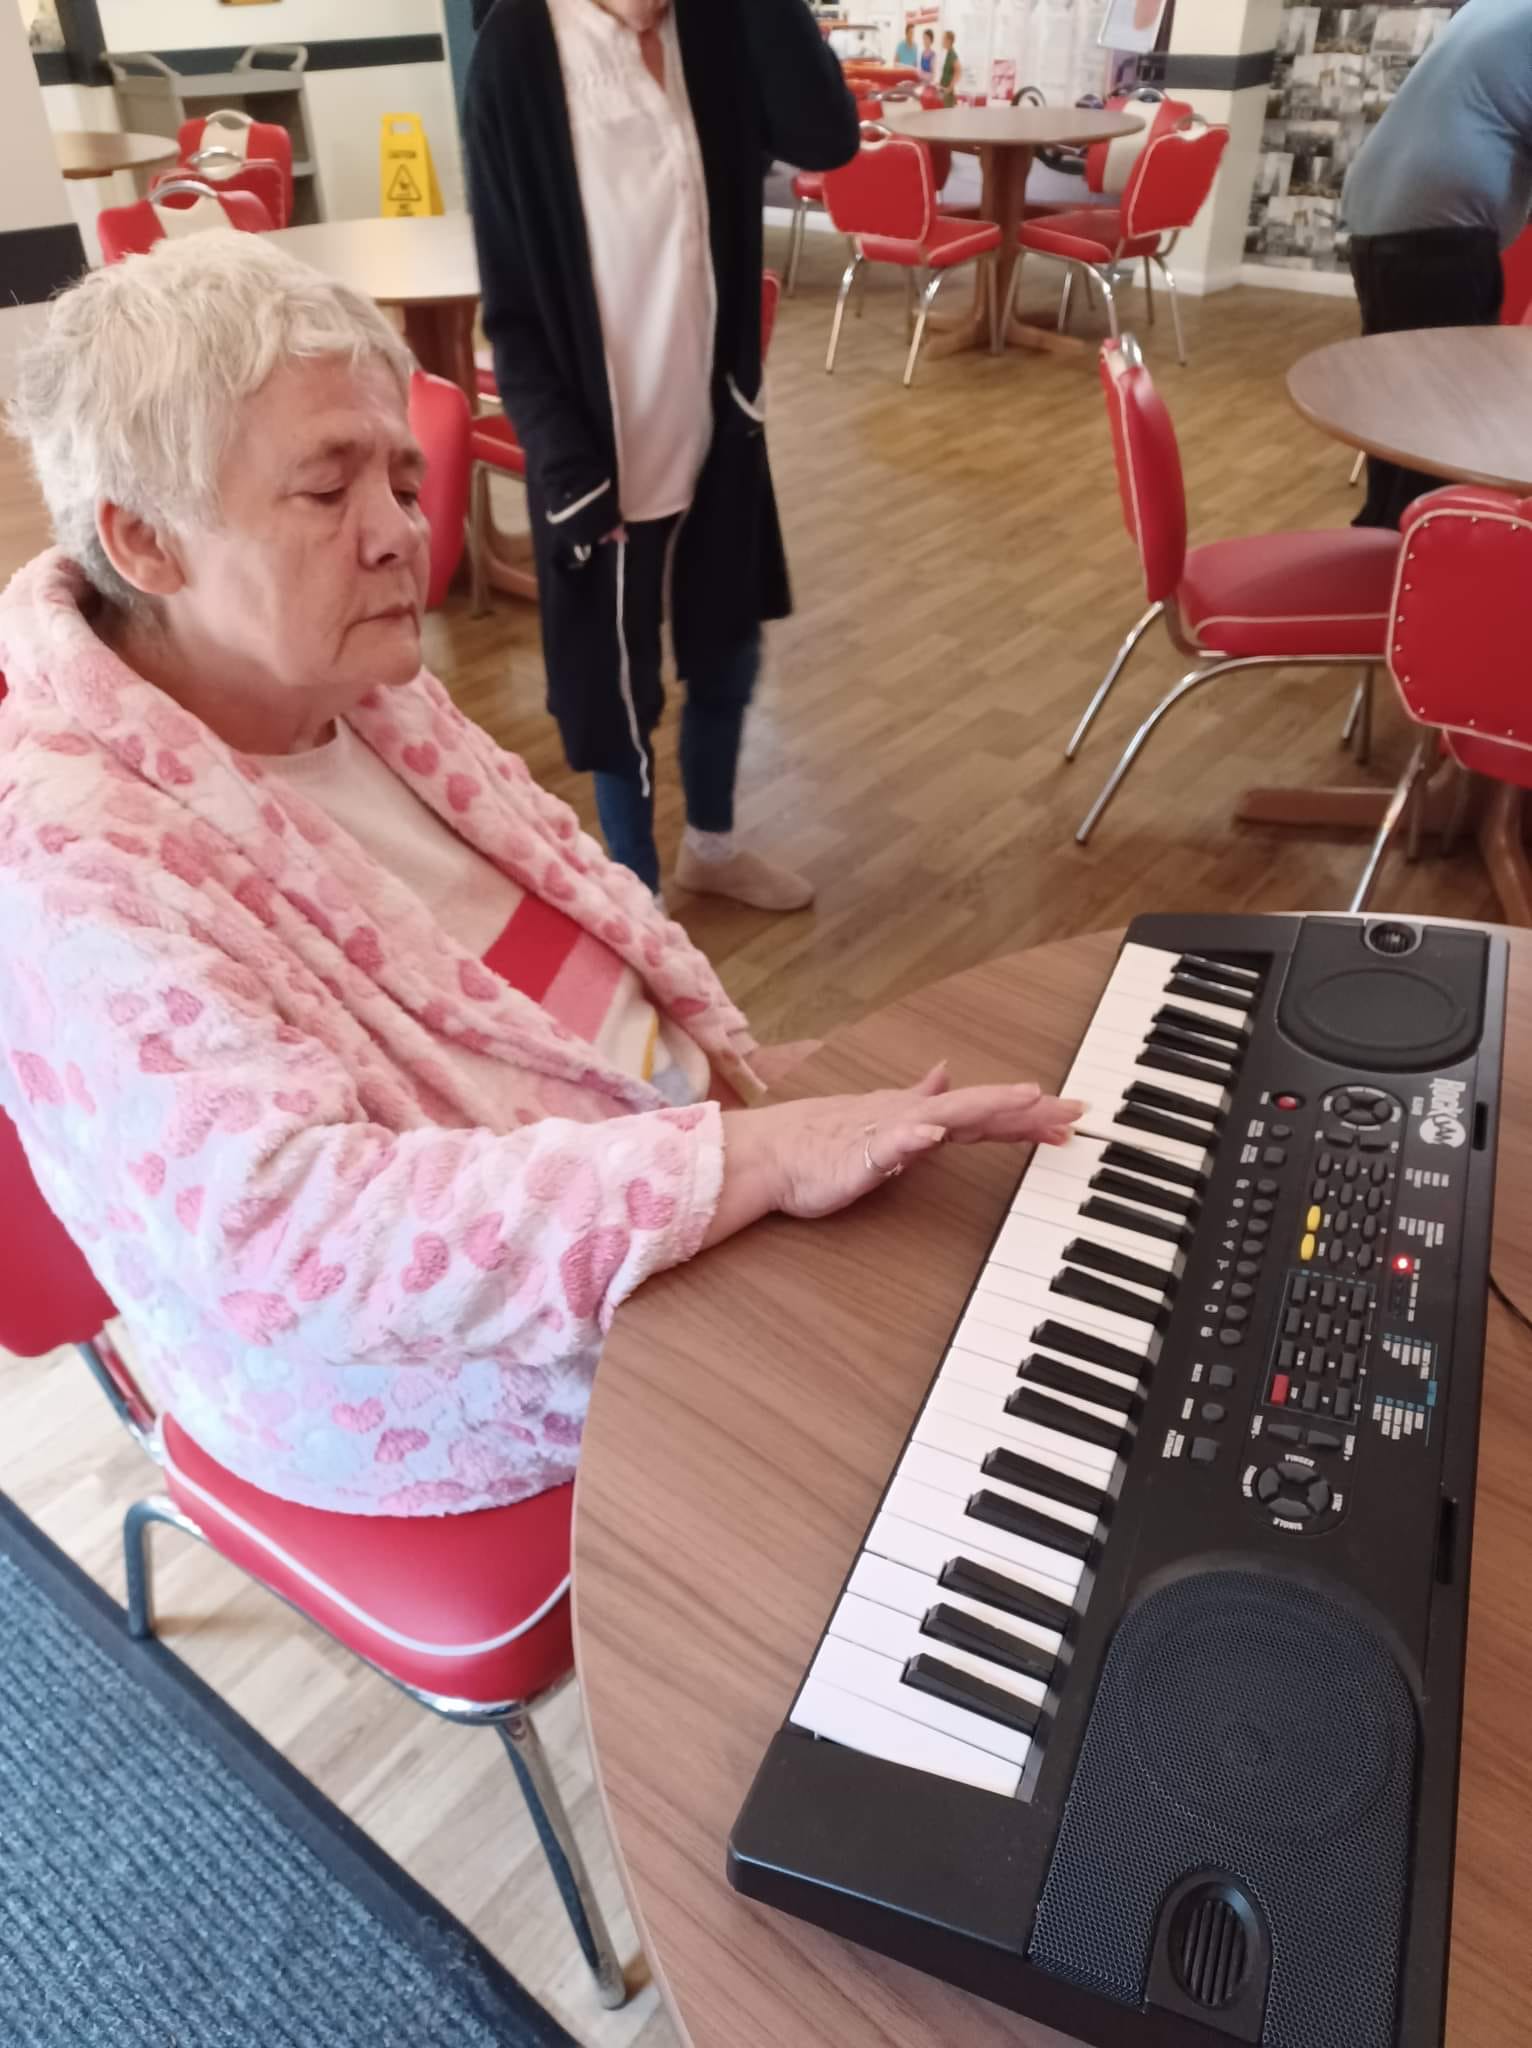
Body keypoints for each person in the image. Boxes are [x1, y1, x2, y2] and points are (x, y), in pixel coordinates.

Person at [0, 235, 1082, 1520]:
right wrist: (727, 1161)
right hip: (432, 1375)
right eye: (327, 489)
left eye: (402, 479)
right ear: (145, 540)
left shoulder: (344, 681)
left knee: (1028, 1251)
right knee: (968, 1441)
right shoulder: (75, 862)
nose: (402, 533)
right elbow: (298, 1238)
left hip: (669, 1151)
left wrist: (740, 1100)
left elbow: (574, 943)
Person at [462, 0, 858, 912]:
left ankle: (711, 849)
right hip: (602, 456)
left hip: (715, 426)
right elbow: (511, 306)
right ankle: (637, 898)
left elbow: (825, 135)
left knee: (725, 656)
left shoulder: (715, 24)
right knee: (619, 693)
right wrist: (566, 467)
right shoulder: (519, 48)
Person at [1341, 0, 1532, 529]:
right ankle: (1420, 548)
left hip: (1380, 211)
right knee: (1445, 418)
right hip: (1439, 221)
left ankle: (1384, 535)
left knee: (1401, 403)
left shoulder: (1496, 8)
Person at [940, 27, 961, 101]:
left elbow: (958, 73)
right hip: (943, 91)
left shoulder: (952, 55)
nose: (942, 41)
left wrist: (949, 89)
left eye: (943, 39)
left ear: (948, 41)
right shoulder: (948, 54)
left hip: (948, 94)